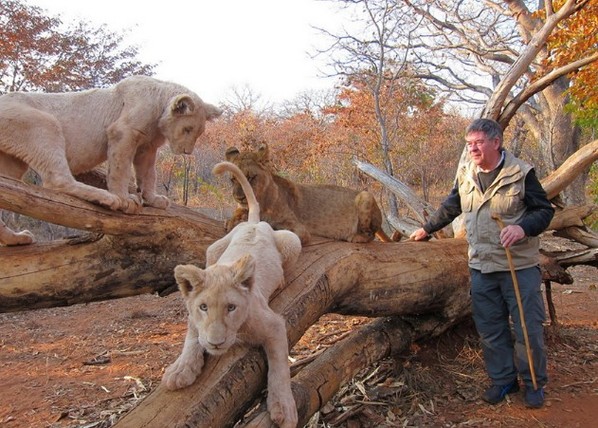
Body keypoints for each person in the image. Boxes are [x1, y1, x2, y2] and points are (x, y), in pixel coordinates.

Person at [410, 118, 554, 409]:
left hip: (518, 268)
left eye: (478, 142)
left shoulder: (521, 173)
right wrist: (427, 228)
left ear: (496, 142)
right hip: (481, 267)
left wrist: (522, 227)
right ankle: (503, 381)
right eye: (469, 144)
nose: (472, 149)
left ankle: (534, 383)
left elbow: (543, 211)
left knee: (527, 328)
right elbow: (452, 205)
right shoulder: (466, 173)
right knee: (490, 328)